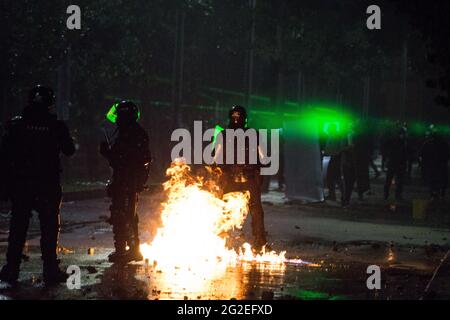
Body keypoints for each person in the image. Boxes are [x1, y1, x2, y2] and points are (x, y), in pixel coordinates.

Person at [0, 85, 75, 285]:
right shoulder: (56, 126)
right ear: (50, 102)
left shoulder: (17, 126)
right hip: (47, 185)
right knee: (49, 228)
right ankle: (50, 270)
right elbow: (69, 150)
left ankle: (12, 269)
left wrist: (6, 185)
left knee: (18, 228)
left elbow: (5, 156)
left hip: (22, 184)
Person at [100, 101, 151, 263]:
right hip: (124, 180)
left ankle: (130, 250)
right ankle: (124, 249)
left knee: (125, 216)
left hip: (128, 180)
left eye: (122, 115)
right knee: (122, 215)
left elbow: (132, 158)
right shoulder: (128, 132)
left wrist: (108, 153)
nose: (119, 119)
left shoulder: (133, 134)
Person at [214, 105, 267, 250]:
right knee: (225, 210)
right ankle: (222, 240)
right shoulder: (226, 135)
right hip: (235, 178)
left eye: (238, 116)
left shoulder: (226, 135)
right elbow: (215, 159)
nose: (236, 119)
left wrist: (259, 173)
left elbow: (263, 158)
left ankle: (260, 241)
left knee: (255, 211)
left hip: (246, 178)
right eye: (234, 117)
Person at [420, 125, 450, 200]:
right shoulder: (444, 143)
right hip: (440, 165)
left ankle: (434, 194)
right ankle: (439, 193)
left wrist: (424, 163)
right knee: (440, 180)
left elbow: (423, 154)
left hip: (433, 165)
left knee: (433, 180)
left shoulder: (428, 143)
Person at [384, 125, 409, 201]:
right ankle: (395, 195)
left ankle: (387, 194)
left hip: (394, 163)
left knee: (391, 180)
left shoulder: (394, 140)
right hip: (397, 163)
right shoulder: (401, 142)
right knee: (398, 181)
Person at [324, 123, 345, 202]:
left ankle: (338, 195)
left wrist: (332, 153)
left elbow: (339, 149)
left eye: (329, 128)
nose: (328, 130)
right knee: (334, 177)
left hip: (335, 158)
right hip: (334, 158)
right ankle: (335, 195)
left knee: (335, 177)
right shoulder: (333, 136)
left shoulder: (336, 136)